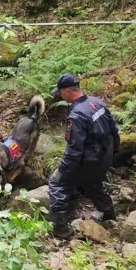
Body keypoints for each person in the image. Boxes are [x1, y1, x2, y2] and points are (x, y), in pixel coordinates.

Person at [47, 73, 120, 239]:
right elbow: (114, 130)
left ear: (67, 91)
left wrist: (63, 169)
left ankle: (60, 228)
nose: (60, 96)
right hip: (105, 155)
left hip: (90, 159)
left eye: (60, 92)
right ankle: (109, 215)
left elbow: (74, 149)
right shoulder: (96, 102)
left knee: (57, 183)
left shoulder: (77, 115)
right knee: (92, 182)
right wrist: (114, 153)